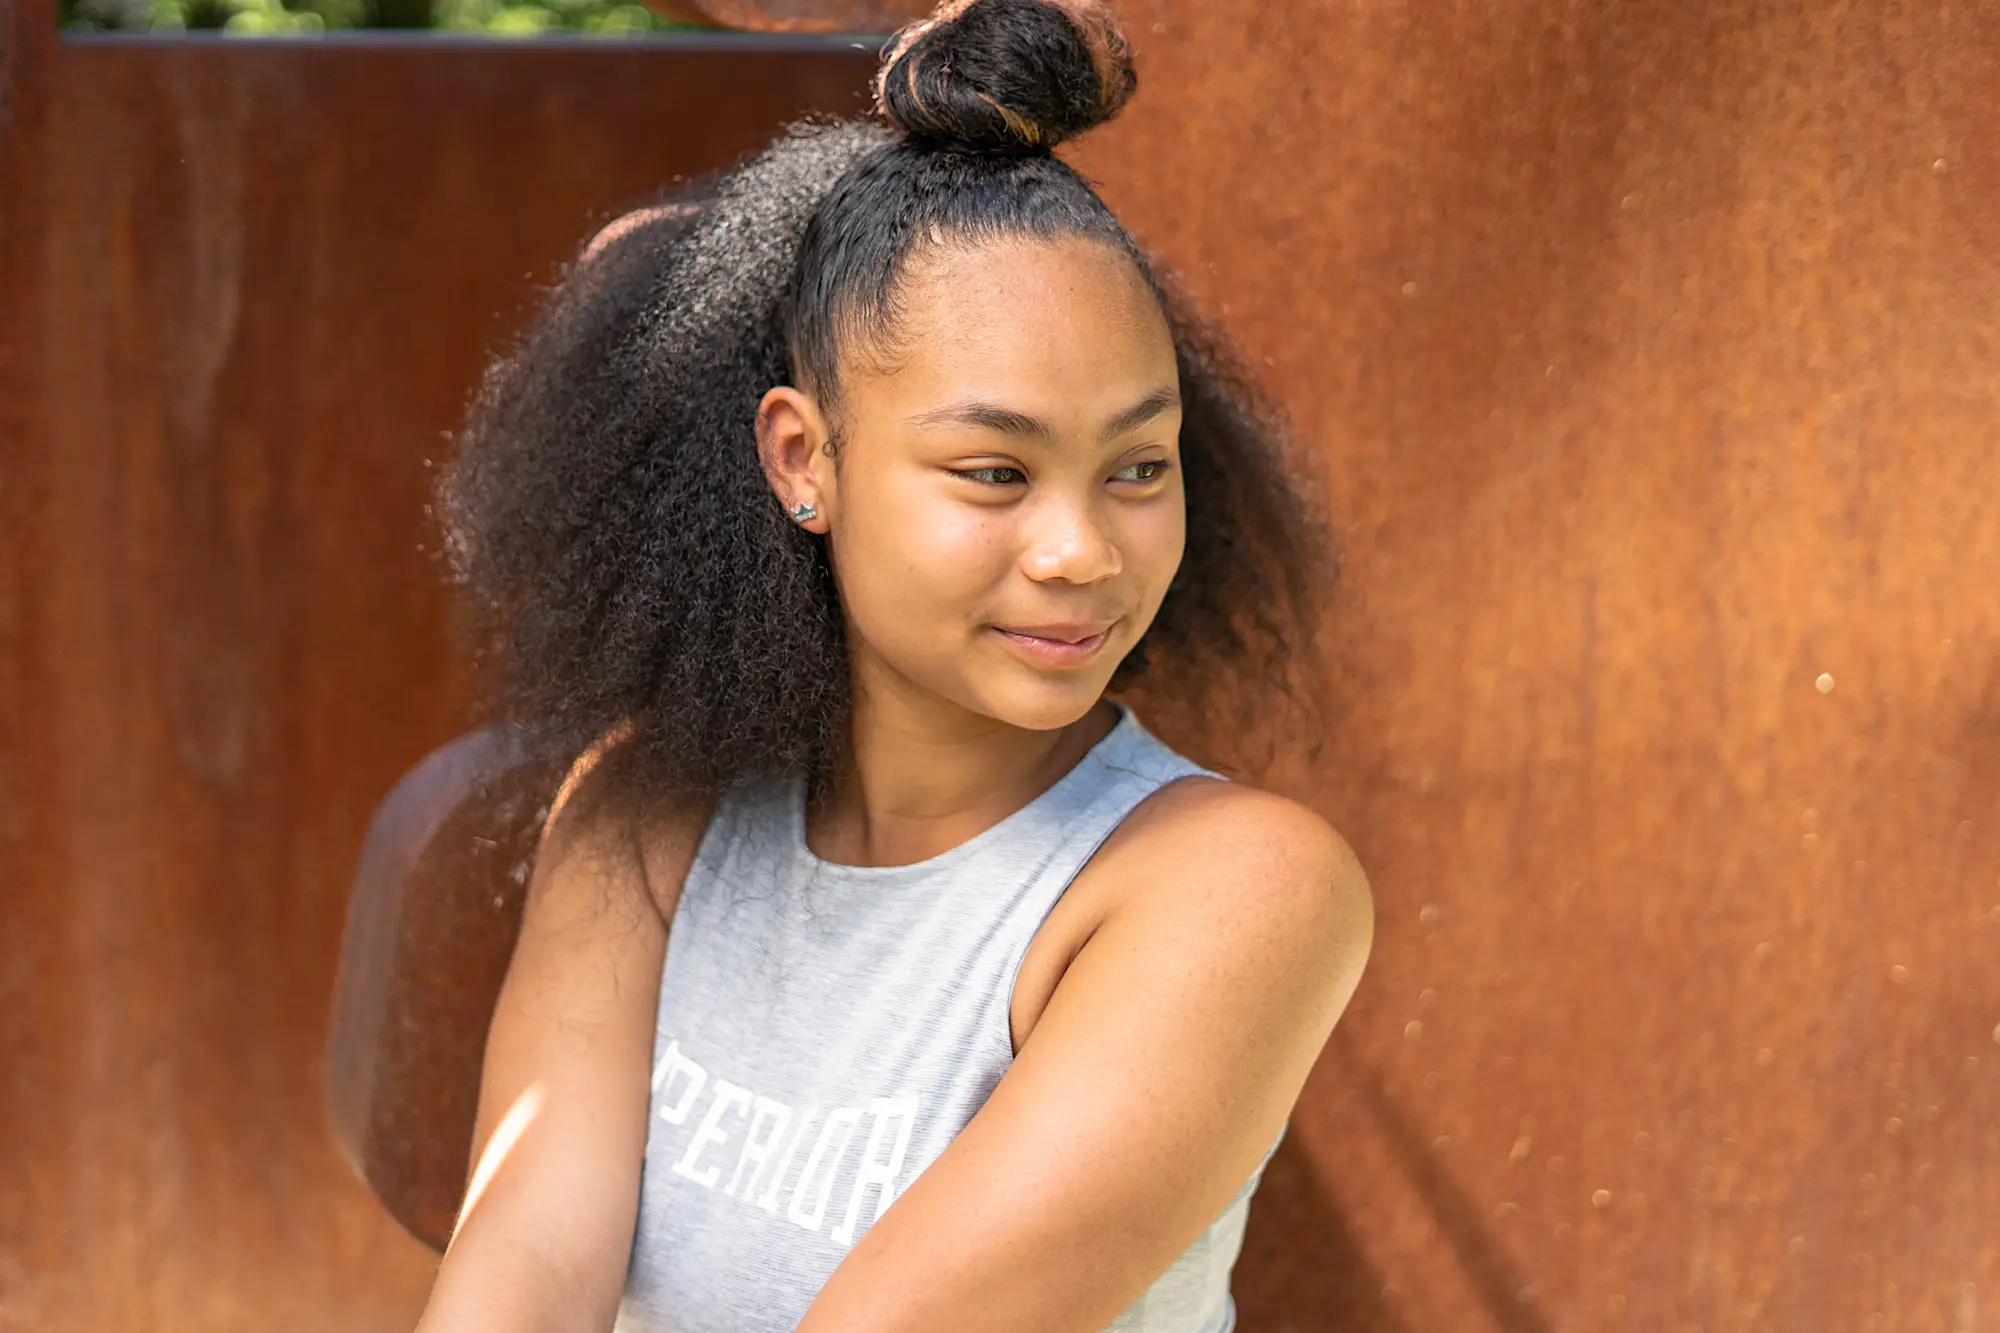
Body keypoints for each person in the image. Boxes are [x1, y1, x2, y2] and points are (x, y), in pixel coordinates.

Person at [415, 1, 1373, 1329]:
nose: (1081, 550)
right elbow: (520, 1274)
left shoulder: (1229, 891)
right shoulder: (642, 821)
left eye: (1137, 468)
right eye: (995, 472)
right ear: (806, 460)